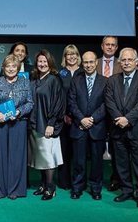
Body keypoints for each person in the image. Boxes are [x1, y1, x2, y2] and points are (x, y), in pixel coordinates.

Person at [105, 48, 138, 208]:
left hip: (137, 129)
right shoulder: (112, 80)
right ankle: (126, 190)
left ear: (137, 62)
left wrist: (128, 119)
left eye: (129, 60)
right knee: (121, 163)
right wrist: (120, 118)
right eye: (123, 60)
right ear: (119, 62)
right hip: (117, 129)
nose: (126, 63)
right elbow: (109, 102)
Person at [0, 54, 34, 199]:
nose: (11, 69)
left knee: (17, 156)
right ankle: (0, 189)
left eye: (14, 66)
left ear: (18, 67)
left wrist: (19, 112)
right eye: (8, 66)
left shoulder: (25, 82)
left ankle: (15, 190)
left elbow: (30, 103)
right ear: (4, 68)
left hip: (18, 123)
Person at [68, 51, 108, 200]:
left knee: (97, 161)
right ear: (82, 63)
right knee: (78, 160)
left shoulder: (105, 81)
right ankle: (77, 187)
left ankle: (96, 188)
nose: (88, 65)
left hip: (97, 127)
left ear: (96, 63)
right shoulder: (76, 80)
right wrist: (81, 119)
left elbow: (106, 104)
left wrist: (92, 118)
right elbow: (71, 102)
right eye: (85, 62)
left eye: (91, 62)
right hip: (79, 127)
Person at [29, 49, 65, 200]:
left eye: (45, 61)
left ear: (49, 62)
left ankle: (50, 187)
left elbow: (59, 104)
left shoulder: (54, 80)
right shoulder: (35, 80)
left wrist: (51, 123)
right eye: (39, 61)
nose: (42, 64)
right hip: (34, 124)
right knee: (40, 157)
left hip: (47, 125)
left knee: (48, 157)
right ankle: (43, 184)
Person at [96, 35, 122, 192]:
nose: (110, 47)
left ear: (117, 47)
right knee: (96, 148)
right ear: (102, 46)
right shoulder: (94, 62)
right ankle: (96, 179)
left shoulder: (123, 63)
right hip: (96, 111)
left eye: (113, 45)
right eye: (107, 44)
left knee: (116, 148)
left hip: (116, 112)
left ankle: (115, 179)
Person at [57, 44, 83, 190]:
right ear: (65, 57)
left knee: (79, 154)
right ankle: (64, 182)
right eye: (68, 54)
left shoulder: (83, 72)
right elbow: (59, 97)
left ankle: (78, 181)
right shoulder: (61, 74)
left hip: (80, 118)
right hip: (65, 119)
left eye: (74, 54)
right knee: (64, 151)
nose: (71, 56)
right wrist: (65, 114)